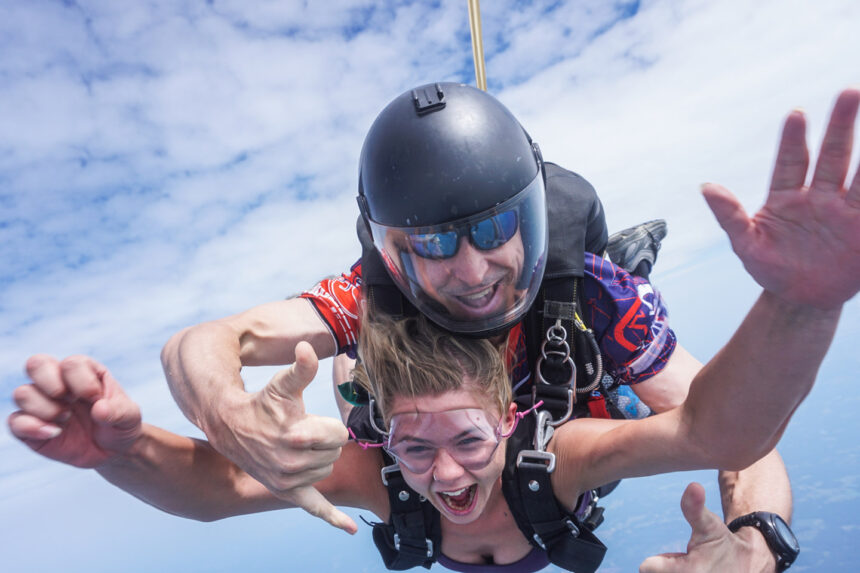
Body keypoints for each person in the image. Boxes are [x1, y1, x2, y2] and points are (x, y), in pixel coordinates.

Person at [10, 95, 860, 567]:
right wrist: (226, 422)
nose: (472, 268)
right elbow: (205, 345)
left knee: (621, 321)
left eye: (495, 230)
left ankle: (636, 252)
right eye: (433, 245)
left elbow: (730, 433)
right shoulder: (373, 316)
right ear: (389, 251)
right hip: (457, 405)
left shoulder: (583, 301)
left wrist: (755, 544)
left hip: (572, 372)